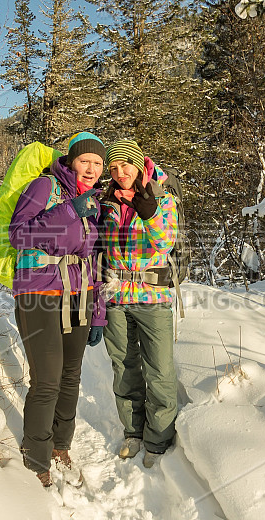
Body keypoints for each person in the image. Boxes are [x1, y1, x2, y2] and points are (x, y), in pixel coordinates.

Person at [8, 132, 107, 487]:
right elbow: (19, 234)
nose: (92, 168)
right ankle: (36, 456)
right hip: (37, 292)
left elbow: (92, 259)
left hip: (78, 296)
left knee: (70, 376)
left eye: (98, 163)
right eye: (85, 161)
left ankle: (60, 445)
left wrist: (98, 312)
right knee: (47, 379)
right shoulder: (44, 187)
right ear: (71, 161)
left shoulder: (92, 202)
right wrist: (68, 211)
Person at [98, 139, 179, 469]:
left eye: (125, 165)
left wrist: (150, 214)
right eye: (113, 168)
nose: (120, 173)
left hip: (151, 296)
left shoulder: (161, 194)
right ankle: (133, 431)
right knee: (124, 368)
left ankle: (158, 438)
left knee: (159, 370)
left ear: (137, 163)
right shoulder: (108, 199)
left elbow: (167, 241)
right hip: (116, 296)